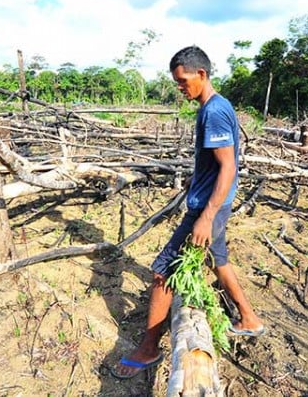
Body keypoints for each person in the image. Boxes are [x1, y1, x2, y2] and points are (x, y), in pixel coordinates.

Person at [111, 45, 264, 380]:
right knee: (218, 261)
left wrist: (206, 216)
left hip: (210, 209)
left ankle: (148, 349)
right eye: (176, 82)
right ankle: (249, 318)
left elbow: (228, 168)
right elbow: (212, 166)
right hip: (210, 203)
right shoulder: (210, 108)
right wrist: (194, 186)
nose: (180, 87)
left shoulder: (215, 112)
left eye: (183, 81)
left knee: (163, 271)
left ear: (202, 74)